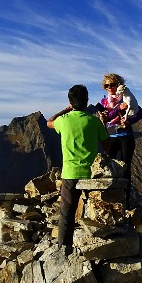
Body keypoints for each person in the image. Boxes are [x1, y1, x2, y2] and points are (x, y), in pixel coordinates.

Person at [47, 84, 108, 251]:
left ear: (70, 101)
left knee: (66, 214)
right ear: (87, 101)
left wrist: (65, 110)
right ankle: (97, 248)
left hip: (70, 174)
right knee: (96, 214)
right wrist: (103, 124)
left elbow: (49, 123)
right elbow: (107, 144)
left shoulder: (63, 121)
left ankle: (64, 248)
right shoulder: (94, 121)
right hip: (92, 175)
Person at [96, 73, 142, 177]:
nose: (109, 88)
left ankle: (125, 193)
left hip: (125, 137)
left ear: (119, 85)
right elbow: (108, 118)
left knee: (125, 168)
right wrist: (118, 109)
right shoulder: (104, 102)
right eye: (106, 86)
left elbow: (140, 112)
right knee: (112, 169)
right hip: (110, 138)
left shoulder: (126, 98)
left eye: (112, 85)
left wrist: (129, 122)